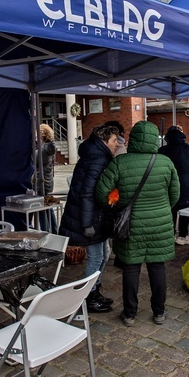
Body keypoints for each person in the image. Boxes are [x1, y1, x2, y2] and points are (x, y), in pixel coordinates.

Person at [95, 121, 179, 327]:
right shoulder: (166, 162)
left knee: (131, 268)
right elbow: (175, 194)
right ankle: (159, 312)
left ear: (132, 138)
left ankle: (130, 314)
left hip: (130, 224)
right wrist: (161, 209)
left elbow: (101, 192)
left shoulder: (120, 162)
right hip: (160, 223)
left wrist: (119, 207)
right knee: (157, 267)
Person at [58, 125, 120, 313]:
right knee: (96, 257)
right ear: (104, 141)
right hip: (90, 218)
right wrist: (87, 224)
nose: (117, 144)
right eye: (114, 140)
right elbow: (86, 194)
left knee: (103, 254)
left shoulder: (96, 155)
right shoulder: (97, 159)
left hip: (95, 216)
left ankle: (94, 291)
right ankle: (88, 297)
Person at [158, 125, 189, 245]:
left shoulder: (162, 150)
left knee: (171, 210)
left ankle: (171, 234)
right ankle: (183, 235)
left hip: (170, 184)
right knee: (186, 210)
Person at [32, 123, 57, 232]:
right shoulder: (48, 147)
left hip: (42, 182)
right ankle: (54, 230)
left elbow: (34, 159)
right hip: (47, 181)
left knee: (42, 209)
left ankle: (46, 231)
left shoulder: (44, 149)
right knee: (48, 208)